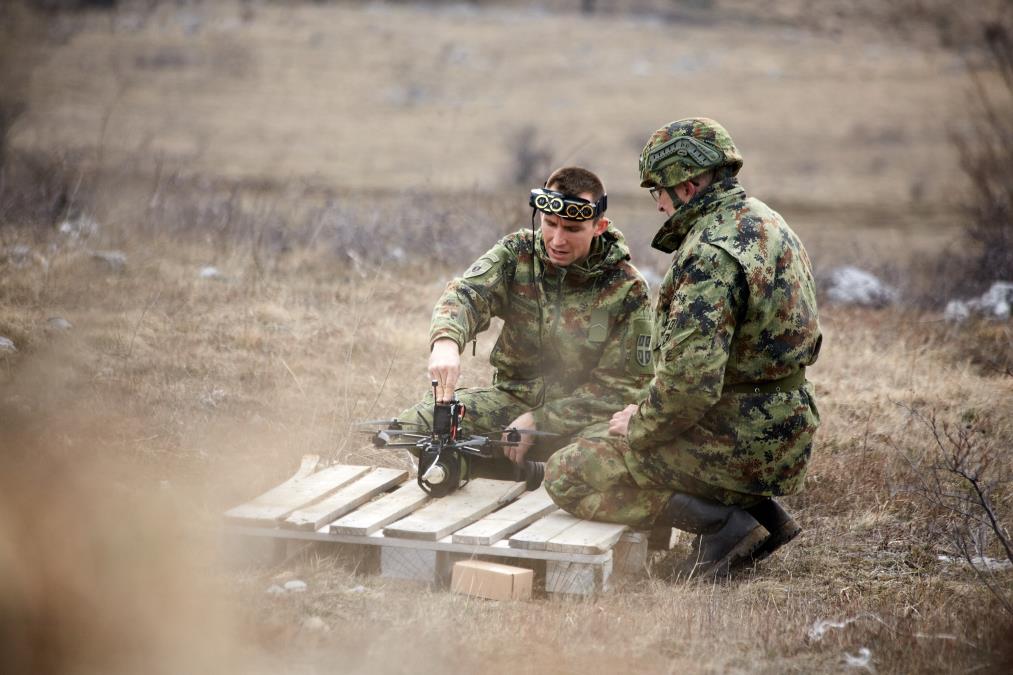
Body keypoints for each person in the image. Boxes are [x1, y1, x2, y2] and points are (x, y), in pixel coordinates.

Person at [544, 118, 822, 578]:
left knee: (568, 471)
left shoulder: (709, 254)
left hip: (740, 443)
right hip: (784, 433)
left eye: (658, 191)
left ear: (688, 187)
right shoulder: (766, 221)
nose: (658, 205)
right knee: (607, 429)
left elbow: (690, 385)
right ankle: (763, 515)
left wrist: (639, 425)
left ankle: (726, 526)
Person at [397, 166, 653, 480]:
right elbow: (467, 294)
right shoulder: (518, 253)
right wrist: (446, 342)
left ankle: (540, 474)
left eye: (572, 229)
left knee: (601, 459)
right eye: (550, 224)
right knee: (415, 426)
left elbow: (621, 390)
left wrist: (541, 420)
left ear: (599, 226)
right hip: (513, 402)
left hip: (582, 421)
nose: (557, 239)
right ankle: (509, 473)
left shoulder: (627, 288)